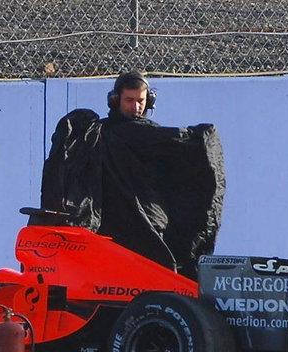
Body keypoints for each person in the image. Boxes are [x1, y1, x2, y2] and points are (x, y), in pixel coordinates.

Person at [40, 70, 225, 279]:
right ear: (115, 99)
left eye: (140, 101)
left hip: (153, 219)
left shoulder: (149, 133)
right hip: (116, 223)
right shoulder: (104, 133)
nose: (136, 107)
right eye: (129, 100)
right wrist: (204, 138)